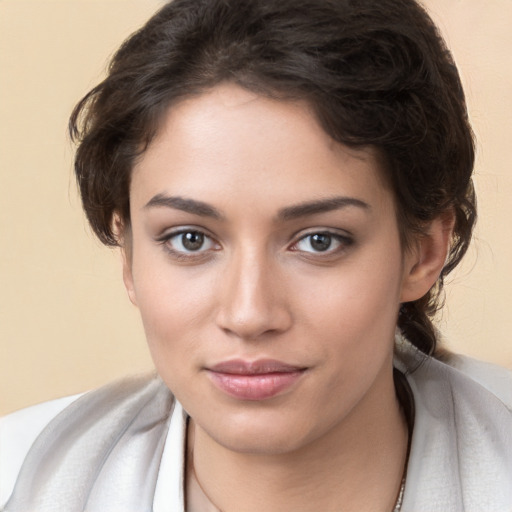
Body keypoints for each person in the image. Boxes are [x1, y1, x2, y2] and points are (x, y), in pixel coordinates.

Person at [1, 0, 511, 510]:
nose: (249, 315)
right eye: (190, 239)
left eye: (319, 240)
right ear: (130, 256)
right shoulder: (18, 480)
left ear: (422, 253)